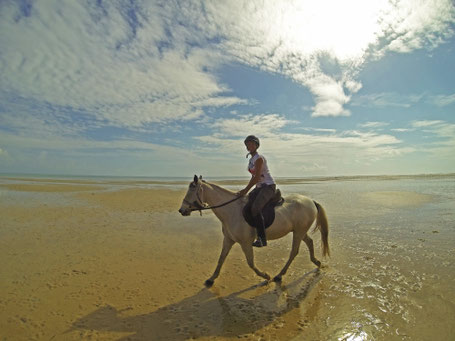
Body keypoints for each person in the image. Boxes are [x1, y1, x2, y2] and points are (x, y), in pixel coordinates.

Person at [237, 135, 276, 247]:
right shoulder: (251, 160)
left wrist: (245, 190)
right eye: (247, 144)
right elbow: (254, 177)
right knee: (246, 203)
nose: (248, 146)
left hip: (268, 186)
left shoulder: (259, 158)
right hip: (259, 187)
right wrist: (246, 191)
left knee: (255, 208)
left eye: (251, 143)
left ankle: (262, 239)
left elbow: (257, 177)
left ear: (256, 145)